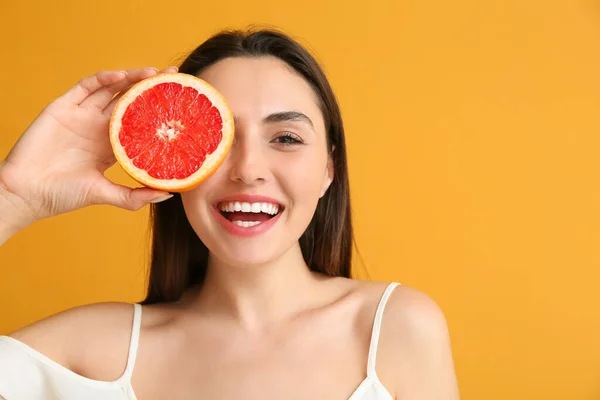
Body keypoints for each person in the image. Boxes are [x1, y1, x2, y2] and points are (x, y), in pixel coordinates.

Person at [0, 28, 460, 399]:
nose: (248, 171)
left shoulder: (394, 329)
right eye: (218, 139)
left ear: (328, 170)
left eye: (285, 138)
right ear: (174, 165)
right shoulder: (97, 351)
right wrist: (14, 196)